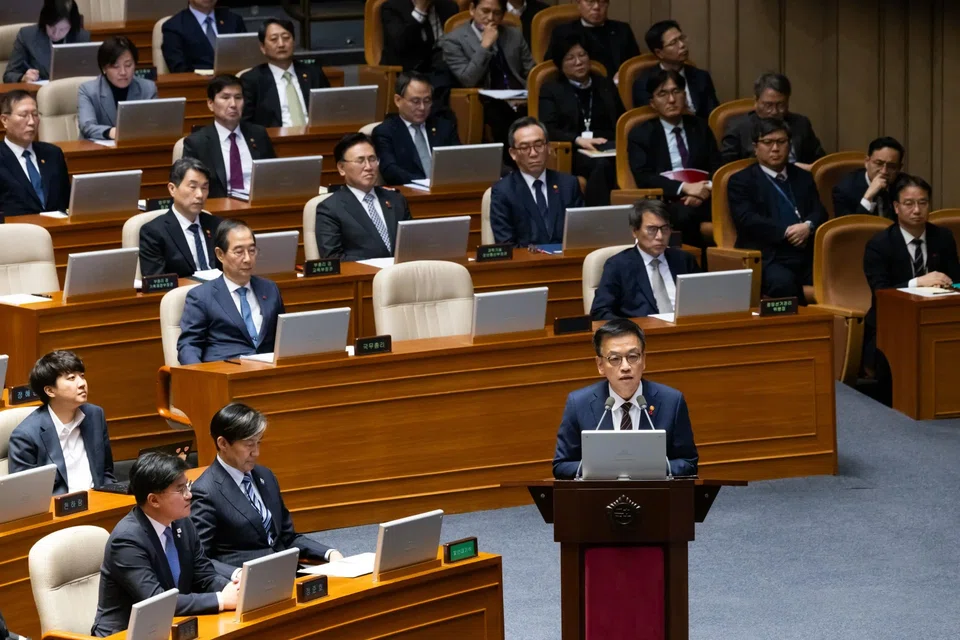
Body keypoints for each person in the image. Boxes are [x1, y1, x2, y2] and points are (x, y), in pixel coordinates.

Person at [90, 452, 237, 637]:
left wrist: (233, 590)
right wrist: (221, 600)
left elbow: (205, 575)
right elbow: (157, 601)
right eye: (181, 489)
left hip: (170, 627)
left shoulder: (182, 522)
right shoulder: (126, 541)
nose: (189, 495)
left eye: (188, 486)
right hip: (125, 634)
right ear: (154, 500)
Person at [190, 403, 342, 579]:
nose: (256, 452)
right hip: (248, 584)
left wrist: (329, 553)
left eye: (258, 443)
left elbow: (287, 537)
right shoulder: (206, 491)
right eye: (249, 445)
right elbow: (199, 559)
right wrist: (237, 574)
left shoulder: (265, 476)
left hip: (288, 573)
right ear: (223, 443)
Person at [552, 319, 698, 479]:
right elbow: (561, 466)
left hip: (654, 497)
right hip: (599, 498)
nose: (625, 366)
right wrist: (603, 468)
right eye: (615, 359)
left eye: (633, 356)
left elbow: (689, 463)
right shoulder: (579, 403)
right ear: (600, 365)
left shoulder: (672, 401)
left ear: (643, 360)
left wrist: (649, 467)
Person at [862, 174, 959, 379]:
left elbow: (956, 279)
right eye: (909, 203)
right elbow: (880, 292)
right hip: (890, 323)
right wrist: (917, 283)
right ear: (896, 207)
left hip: (936, 318)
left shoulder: (942, 237)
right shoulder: (879, 244)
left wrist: (951, 285)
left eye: (922, 203)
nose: (916, 210)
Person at [727, 118, 827, 304]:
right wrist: (787, 232)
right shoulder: (740, 181)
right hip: (768, 256)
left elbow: (819, 211)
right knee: (784, 283)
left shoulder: (803, 177)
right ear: (755, 147)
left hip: (806, 251)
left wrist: (808, 226)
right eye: (767, 142)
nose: (775, 148)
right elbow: (747, 220)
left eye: (781, 142)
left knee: (841, 273)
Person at [628, 69, 721, 247]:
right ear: (652, 103)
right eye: (663, 94)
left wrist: (704, 191)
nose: (671, 99)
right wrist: (685, 188)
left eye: (676, 92)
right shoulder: (641, 133)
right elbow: (644, 177)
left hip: (706, 197)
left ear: (685, 95)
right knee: (685, 214)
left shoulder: (700, 127)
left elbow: (717, 165)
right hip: (667, 200)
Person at [7, 350, 116, 496]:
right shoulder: (25, 435)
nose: (82, 383)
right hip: (59, 512)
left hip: (98, 504)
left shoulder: (95, 415)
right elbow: (24, 495)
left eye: (82, 376)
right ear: (50, 391)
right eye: (71, 378)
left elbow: (106, 471)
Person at [178, 219, 285, 364]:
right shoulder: (201, 297)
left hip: (267, 375)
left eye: (252, 250)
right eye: (239, 252)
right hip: (225, 375)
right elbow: (189, 345)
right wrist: (198, 379)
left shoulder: (270, 289)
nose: (247, 259)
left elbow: (283, 337)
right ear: (220, 254)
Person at [539, 34, 624, 206]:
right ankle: (597, 218)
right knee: (601, 166)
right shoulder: (552, 89)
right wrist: (578, 140)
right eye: (570, 58)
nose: (578, 62)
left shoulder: (604, 84)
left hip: (610, 146)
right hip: (573, 150)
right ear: (560, 64)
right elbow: (547, 128)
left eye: (582, 55)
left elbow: (622, 118)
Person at [440, 0, 535, 148]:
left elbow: (531, 71)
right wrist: (485, 46)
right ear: (472, 9)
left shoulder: (514, 35)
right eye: (485, 11)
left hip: (521, 98)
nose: (490, 18)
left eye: (496, 13)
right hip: (485, 101)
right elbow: (468, 79)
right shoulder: (453, 40)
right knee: (502, 115)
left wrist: (530, 95)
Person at [590, 199, 701, 320]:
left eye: (665, 228)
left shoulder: (684, 260)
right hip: (642, 334)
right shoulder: (618, 265)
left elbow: (705, 300)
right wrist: (631, 329)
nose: (660, 236)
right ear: (634, 231)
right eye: (652, 229)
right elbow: (600, 311)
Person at [315, 133, 413, 261]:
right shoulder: (330, 209)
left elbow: (413, 243)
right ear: (341, 168)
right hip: (363, 278)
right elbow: (333, 258)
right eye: (360, 161)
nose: (368, 167)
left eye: (372, 159)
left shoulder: (396, 200)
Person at [489, 117, 583, 247]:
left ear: (548, 148)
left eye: (538, 145)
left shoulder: (568, 184)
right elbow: (507, 244)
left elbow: (580, 234)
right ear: (513, 154)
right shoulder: (503, 191)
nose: (533, 153)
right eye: (524, 147)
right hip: (527, 264)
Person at [183, 75, 277, 199]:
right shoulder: (197, 143)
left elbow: (273, 175)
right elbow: (192, 188)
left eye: (238, 98)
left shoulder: (258, 134)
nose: (233, 104)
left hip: (258, 205)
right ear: (210, 104)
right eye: (225, 97)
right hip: (220, 211)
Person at [720, 72, 825, 169]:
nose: (774, 111)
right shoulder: (737, 128)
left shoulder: (801, 123)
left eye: (781, 105)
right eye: (768, 105)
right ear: (756, 100)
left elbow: (819, 162)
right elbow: (727, 170)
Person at [139, 158, 223, 278]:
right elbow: (157, 283)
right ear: (172, 189)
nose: (200, 195)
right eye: (193, 187)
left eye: (204, 188)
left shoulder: (218, 225)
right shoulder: (153, 232)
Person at [373, 72, 461, 185]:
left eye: (427, 101)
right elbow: (390, 170)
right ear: (398, 100)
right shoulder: (385, 132)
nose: (422, 107)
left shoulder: (444, 126)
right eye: (415, 101)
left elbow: (459, 160)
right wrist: (423, 183)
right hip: (410, 194)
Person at [240, 18, 330, 128]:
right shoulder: (252, 80)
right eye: (274, 39)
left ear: (294, 42)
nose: (281, 44)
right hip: (274, 141)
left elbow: (329, 111)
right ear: (262, 47)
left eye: (286, 38)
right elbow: (245, 123)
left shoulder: (313, 73)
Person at [0, 90, 71, 220]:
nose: (32, 122)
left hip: (57, 231)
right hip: (14, 235)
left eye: (35, 114)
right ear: (5, 120)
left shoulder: (53, 154)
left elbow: (67, 201)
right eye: (23, 115)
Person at [632, 20, 719, 119]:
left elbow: (714, 117)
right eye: (673, 43)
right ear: (659, 53)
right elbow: (648, 122)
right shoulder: (643, 83)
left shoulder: (701, 76)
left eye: (681, 38)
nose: (682, 45)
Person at [78, 37, 158, 141]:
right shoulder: (88, 90)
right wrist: (111, 132)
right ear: (104, 68)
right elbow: (87, 126)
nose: (123, 72)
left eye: (128, 65)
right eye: (116, 66)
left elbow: (154, 125)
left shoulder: (148, 88)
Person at [544, 0, 640, 83]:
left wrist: (624, 75)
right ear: (579, 3)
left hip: (618, 89)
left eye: (602, 1)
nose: (596, 7)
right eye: (590, 1)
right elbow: (550, 68)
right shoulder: (563, 32)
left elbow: (635, 65)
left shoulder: (622, 30)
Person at [3, 0, 90, 83]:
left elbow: (90, 74)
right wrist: (23, 77)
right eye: (52, 27)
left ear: (72, 26)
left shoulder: (82, 38)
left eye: (63, 29)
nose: (56, 34)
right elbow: (9, 75)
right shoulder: (27, 36)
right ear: (44, 21)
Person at [161, 0, 246, 73]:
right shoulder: (174, 26)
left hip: (235, 83)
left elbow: (246, 57)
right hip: (198, 85)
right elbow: (178, 68)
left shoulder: (234, 20)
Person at [833, 137, 904, 219]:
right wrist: (868, 198)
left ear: (899, 168)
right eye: (879, 163)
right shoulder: (844, 190)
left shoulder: (907, 187)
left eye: (891, 166)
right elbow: (850, 229)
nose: (884, 171)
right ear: (867, 162)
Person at [380, 0, 459, 73]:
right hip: (407, 71)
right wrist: (420, 11)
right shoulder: (392, 7)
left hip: (441, 69)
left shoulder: (449, 7)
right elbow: (400, 44)